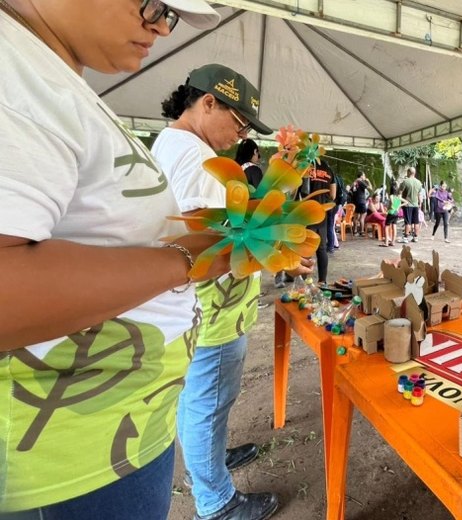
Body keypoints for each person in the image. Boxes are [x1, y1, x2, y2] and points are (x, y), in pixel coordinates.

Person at [0, 1, 231, 518]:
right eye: (152, 3)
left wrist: (218, 234)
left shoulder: (49, 72)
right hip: (62, 460)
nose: (161, 27)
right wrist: (184, 261)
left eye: (170, 14)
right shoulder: (13, 75)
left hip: (109, 433)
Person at [152, 63, 281, 520]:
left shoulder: (174, 143)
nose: (240, 134)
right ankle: (216, 501)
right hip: (214, 310)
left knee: (199, 398)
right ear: (208, 102)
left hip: (201, 307)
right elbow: (199, 245)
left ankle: (207, 464)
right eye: (238, 122)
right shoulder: (195, 157)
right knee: (209, 400)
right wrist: (272, 252)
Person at [398, 167, 423, 243]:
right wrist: (420, 204)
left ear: (408, 172)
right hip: (416, 205)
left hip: (407, 205)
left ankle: (405, 238)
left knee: (407, 222)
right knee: (416, 222)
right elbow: (419, 195)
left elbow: (399, 193)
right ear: (414, 173)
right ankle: (415, 237)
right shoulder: (419, 183)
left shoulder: (405, 182)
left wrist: (399, 204)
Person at [349, 171, 371, 236]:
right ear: (361, 176)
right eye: (364, 175)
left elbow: (351, 190)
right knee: (362, 217)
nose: (365, 176)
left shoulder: (354, 182)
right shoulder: (361, 182)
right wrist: (368, 181)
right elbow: (370, 188)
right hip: (361, 201)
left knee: (356, 217)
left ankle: (355, 231)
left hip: (355, 201)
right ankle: (361, 231)